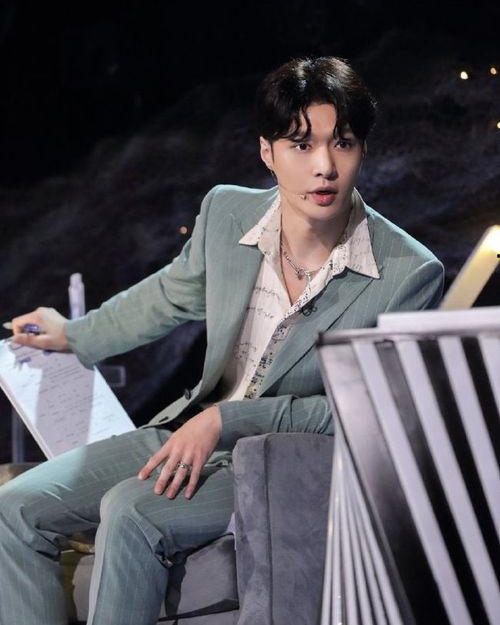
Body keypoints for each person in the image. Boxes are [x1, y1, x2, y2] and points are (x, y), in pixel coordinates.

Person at [0, 56, 444, 625]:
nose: (325, 167)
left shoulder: (408, 272)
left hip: (283, 458)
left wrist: (227, 421)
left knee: (130, 510)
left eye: (344, 143)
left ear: (363, 149)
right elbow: (169, 296)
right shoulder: (228, 213)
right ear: (268, 152)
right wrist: (73, 334)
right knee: (15, 510)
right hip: (190, 431)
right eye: (301, 145)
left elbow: (363, 412)